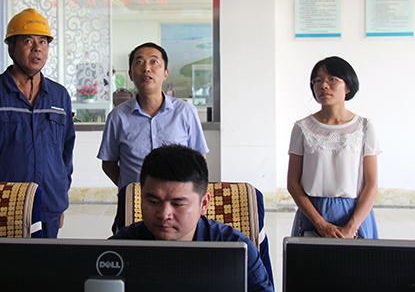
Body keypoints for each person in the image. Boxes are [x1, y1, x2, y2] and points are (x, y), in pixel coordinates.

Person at [0, 8, 75, 238]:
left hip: (48, 205)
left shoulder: (59, 96)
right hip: (1, 206)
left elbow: (66, 153)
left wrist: (60, 199)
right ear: (11, 47)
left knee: (45, 260)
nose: (37, 48)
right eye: (28, 41)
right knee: (4, 261)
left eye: (43, 42)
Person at [110, 145, 273, 292]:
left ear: (204, 204)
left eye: (178, 204)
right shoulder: (119, 249)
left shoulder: (236, 251)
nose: (164, 214)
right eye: (153, 202)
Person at [98, 42, 208, 230]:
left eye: (154, 62)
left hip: (177, 205)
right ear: (131, 74)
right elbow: (109, 163)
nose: (146, 68)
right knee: (128, 245)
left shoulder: (185, 112)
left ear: (165, 73)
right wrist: (133, 190)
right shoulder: (117, 116)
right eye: (139, 62)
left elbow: (199, 160)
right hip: (134, 202)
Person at [287, 56, 380, 238]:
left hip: (355, 214)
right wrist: (320, 224)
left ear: (348, 86)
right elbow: (292, 183)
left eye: (332, 79)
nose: (324, 85)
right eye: (318, 80)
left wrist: (352, 227)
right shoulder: (302, 127)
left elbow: (371, 184)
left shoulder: (364, 127)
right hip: (313, 213)